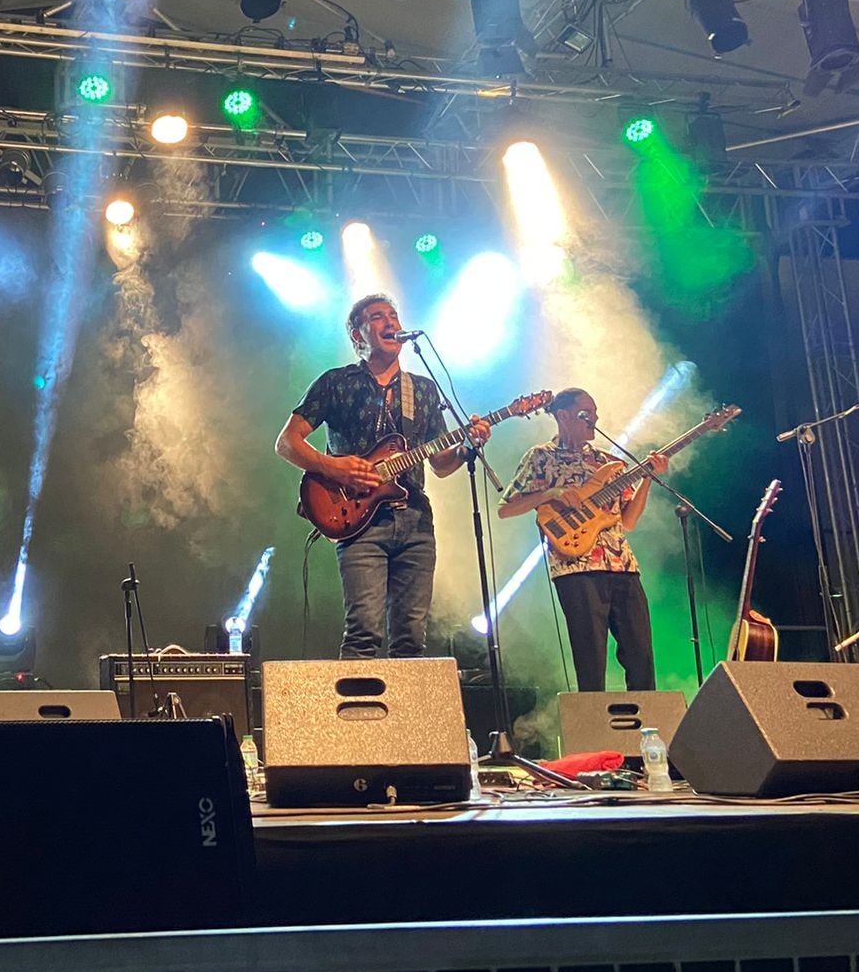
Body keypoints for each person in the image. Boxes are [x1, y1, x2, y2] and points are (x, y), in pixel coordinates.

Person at [275, 293, 489, 659]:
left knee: (411, 638)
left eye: (393, 315)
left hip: (416, 523)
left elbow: (440, 464)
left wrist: (468, 447)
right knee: (364, 633)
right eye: (377, 317)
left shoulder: (423, 389)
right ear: (357, 335)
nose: (390, 322)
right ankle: (356, 699)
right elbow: (287, 442)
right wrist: (333, 466)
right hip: (359, 522)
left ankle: (406, 701)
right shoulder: (336, 382)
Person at [497, 388, 667, 692]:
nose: (594, 419)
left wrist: (647, 480)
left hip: (623, 565)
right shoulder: (541, 457)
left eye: (595, 413)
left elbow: (628, 521)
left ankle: (646, 720)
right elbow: (506, 508)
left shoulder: (609, 462)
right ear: (562, 416)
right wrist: (551, 494)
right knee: (591, 660)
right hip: (576, 568)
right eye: (585, 414)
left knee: (641, 655)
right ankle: (594, 722)